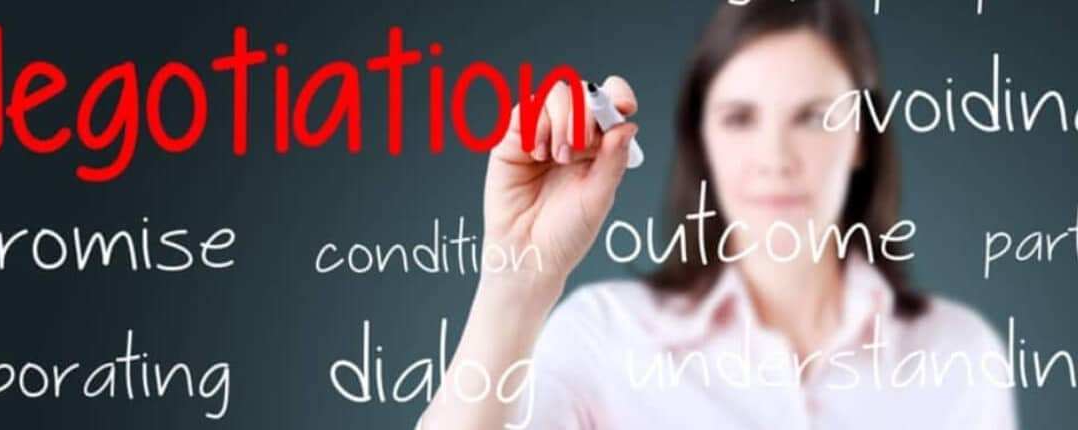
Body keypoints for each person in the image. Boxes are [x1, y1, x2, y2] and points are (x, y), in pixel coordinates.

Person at [419, 0, 1017, 429]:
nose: (776, 157)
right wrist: (519, 279)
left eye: (813, 117)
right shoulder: (603, 337)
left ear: (862, 136)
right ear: (702, 139)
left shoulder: (960, 354)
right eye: (739, 117)